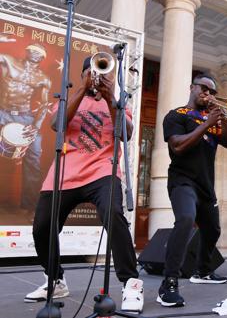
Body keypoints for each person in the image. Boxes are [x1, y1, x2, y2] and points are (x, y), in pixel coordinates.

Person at [24, 56, 143, 312]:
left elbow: (127, 133)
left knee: (113, 214)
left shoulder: (120, 102)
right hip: (64, 173)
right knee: (42, 226)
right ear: (83, 75)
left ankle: (131, 282)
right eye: (91, 72)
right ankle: (55, 279)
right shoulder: (67, 99)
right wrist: (81, 91)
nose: (97, 76)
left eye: (102, 71)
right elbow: (58, 125)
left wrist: (112, 98)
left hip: (102, 171)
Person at [158, 73, 227, 307]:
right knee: (185, 219)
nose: (208, 94)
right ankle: (168, 283)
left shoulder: (212, 118)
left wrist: (224, 118)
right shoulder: (176, 115)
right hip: (182, 180)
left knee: (213, 230)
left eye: (212, 92)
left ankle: (202, 271)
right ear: (192, 87)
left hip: (205, 184)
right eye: (204, 88)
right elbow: (178, 146)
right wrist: (207, 124)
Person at [0, 37, 51, 209]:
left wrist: (36, 126)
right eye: (33, 49)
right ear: (27, 51)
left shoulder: (43, 78)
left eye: (40, 51)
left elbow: (44, 105)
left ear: (43, 57)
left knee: (34, 154)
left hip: (25, 116)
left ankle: (29, 207)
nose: (36, 52)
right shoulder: (9, 60)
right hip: (2, 112)